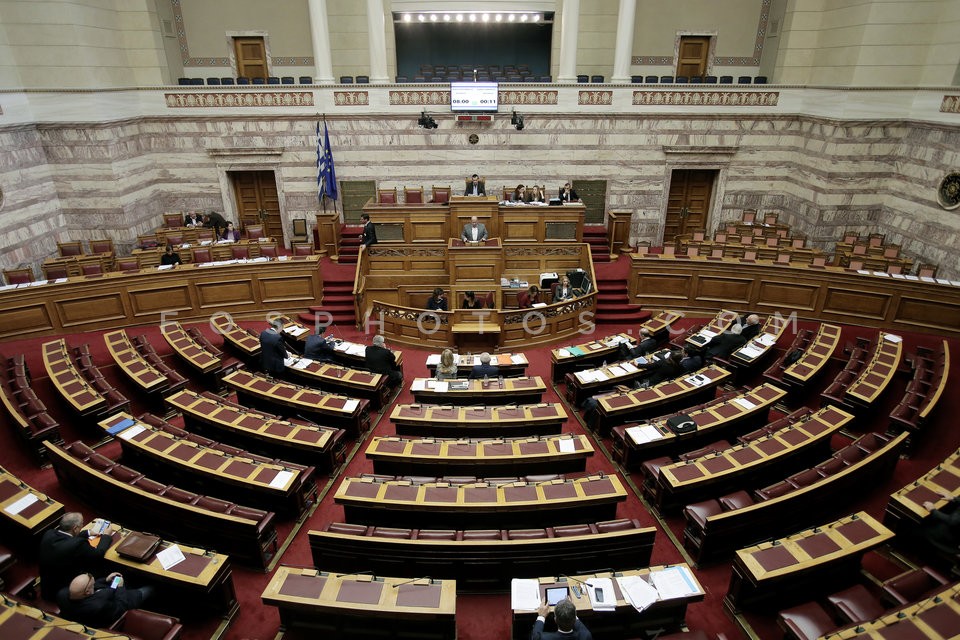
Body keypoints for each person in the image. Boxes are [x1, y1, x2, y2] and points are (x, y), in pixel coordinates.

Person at [39, 512, 114, 601]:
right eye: (82, 524)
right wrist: (106, 536)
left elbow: (67, 539)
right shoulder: (78, 544)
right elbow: (98, 554)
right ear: (75, 528)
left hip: (47, 587)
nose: (82, 525)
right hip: (66, 592)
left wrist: (88, 532)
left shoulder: (49, 533)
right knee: (102, 566)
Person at [58, 572, 154, 629]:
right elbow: (121, 606)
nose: (93, 579)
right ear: (87, 592)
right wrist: (120, 587)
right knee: (151, 588)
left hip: (110, 594)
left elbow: (94, 588)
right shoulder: (98, 606)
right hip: (124, 600)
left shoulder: (64, 594)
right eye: (91, 580)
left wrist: (106, 580)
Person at [921, 491, 960, 555]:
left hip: (949, 539)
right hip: (954, 522)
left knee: (920, 522)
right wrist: (953, 498)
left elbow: (953, 521)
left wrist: (932, 510)